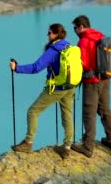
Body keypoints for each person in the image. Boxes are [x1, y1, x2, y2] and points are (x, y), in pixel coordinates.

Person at [10, 23, 76, 159]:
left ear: (56, 34)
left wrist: (17, 68)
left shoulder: (53, 50)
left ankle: (28, 143)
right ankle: (67, 147)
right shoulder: (68, 46)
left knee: (33, 111)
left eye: (50, 33)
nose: (48, 35)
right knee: (67, 115)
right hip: (70, 86)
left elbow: (36, 68)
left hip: (56, 88)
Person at [70, 15, 111, 158]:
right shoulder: (99, 36)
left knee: (89, 112)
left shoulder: (84, 41)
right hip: (105, 78)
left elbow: (83, 64)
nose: (75, 31)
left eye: (75, 28)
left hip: (92, 81)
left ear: (81, 27)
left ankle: (88, 146)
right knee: (104, 109)